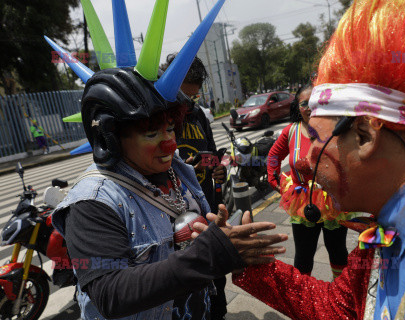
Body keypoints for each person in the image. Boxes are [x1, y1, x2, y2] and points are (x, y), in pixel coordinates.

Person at [204, 0, 405, 318]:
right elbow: (342, 307)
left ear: (364, 135)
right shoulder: (389, 226)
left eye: (317, 143)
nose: (304, 163)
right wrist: (251, 262)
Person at [47, 1, 287, 319]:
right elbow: (110, 293)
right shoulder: (90, 205)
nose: (170, 141)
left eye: (170, 127)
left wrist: (224, 238)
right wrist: (211, 253)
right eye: (151, 133)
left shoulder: (179, 170)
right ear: (110, 136)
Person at [163, 53, 228, 320]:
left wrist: (218, 171)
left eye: (195, 97)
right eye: (184, 97)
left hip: (206, 210)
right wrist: (185, 168)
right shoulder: (160, 116)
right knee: (188, 288)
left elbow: (211, 152)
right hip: (175, 220)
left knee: (216, 277)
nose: (189, 104)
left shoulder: (199, 115)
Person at [267, 84, 348, 278]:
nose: (310, 108)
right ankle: (303, 295)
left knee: (338, 252)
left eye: (315, 102)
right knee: (304, 255)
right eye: (305, 103)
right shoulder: (291, 132)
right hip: (302, 202)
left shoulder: (337, 128)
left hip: (333, 201)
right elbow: (272, 157)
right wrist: (275, 182)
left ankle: (341, 293)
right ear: (297, 106)